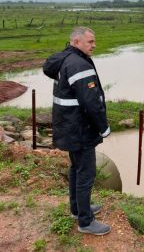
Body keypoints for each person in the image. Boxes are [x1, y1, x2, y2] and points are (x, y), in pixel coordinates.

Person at [43, 26, 111, 235]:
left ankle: (77, 209)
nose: (94, 45)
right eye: (90, 42)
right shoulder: (79, 65)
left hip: (69, 126)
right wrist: (104, 128)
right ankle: (85, 222)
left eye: (94, 41)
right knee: (86, 174)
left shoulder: (65, 60)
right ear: (76, 42)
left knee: (76, 169)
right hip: (80, 129)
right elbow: (91, 103)